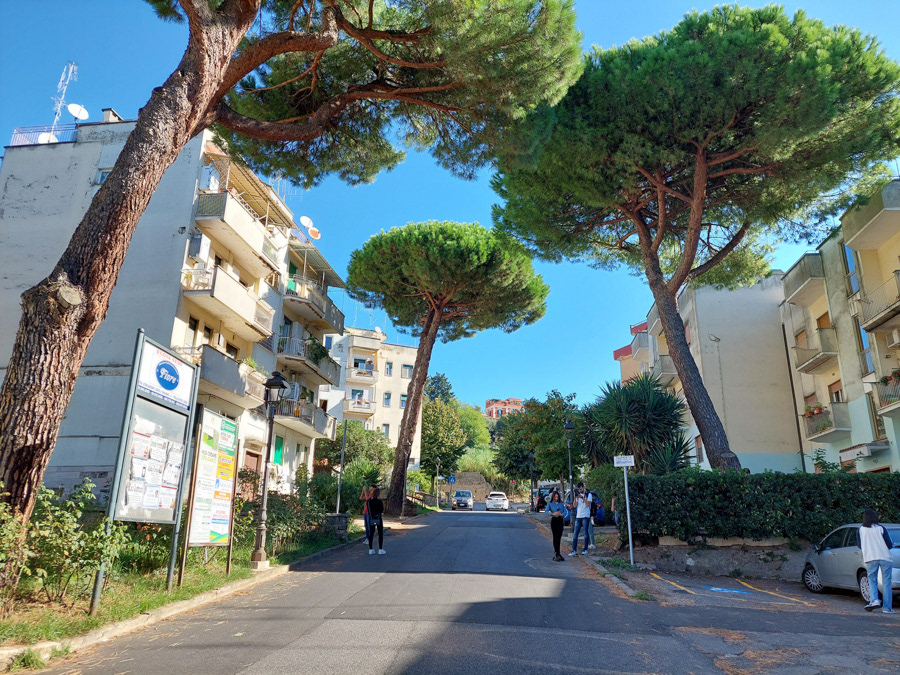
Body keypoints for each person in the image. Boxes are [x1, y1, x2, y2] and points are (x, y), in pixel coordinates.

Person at [859, 509, 894, 613]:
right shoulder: (881, 528)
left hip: (870, 557)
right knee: (886, 582)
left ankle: (874, 600)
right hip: (885, 557)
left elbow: (859, 545)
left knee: (872, 580)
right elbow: (889, 544)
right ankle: (887, 608)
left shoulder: (861, 530)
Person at [567, 482, 593, 557]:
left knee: (585, 533)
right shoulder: (577, 495)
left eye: (581, 489)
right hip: (578, 516)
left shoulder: (589, 495)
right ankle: (574, 550)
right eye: (578, 489)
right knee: (575, 533)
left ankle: (585, 549)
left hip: (586, 516)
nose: (580, 490)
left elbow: (588, 504)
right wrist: (575, 498)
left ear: (583, 487)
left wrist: (582, 497)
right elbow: (574, 506)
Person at [545, 491, 568, 561]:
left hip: (560, 520)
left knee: (559, 537)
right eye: (555, 497)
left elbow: (565, 511)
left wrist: (562, 514)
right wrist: (553, 513)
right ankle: (556, 553)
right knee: (555, 537)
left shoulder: (561, 503)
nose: (556, 498)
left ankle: (558, 553)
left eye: (557, 497)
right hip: (554, 520)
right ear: (553, 497)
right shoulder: (550, 503)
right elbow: (546, 511)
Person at [366, 487, 386, 555]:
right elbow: (381, 510)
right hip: (378, 518)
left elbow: (368, 510)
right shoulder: (379, 501)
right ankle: (380, 549)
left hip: (371, 518)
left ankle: (371, 549)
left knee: (371, 533)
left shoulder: (368, 501)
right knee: (380, 533)